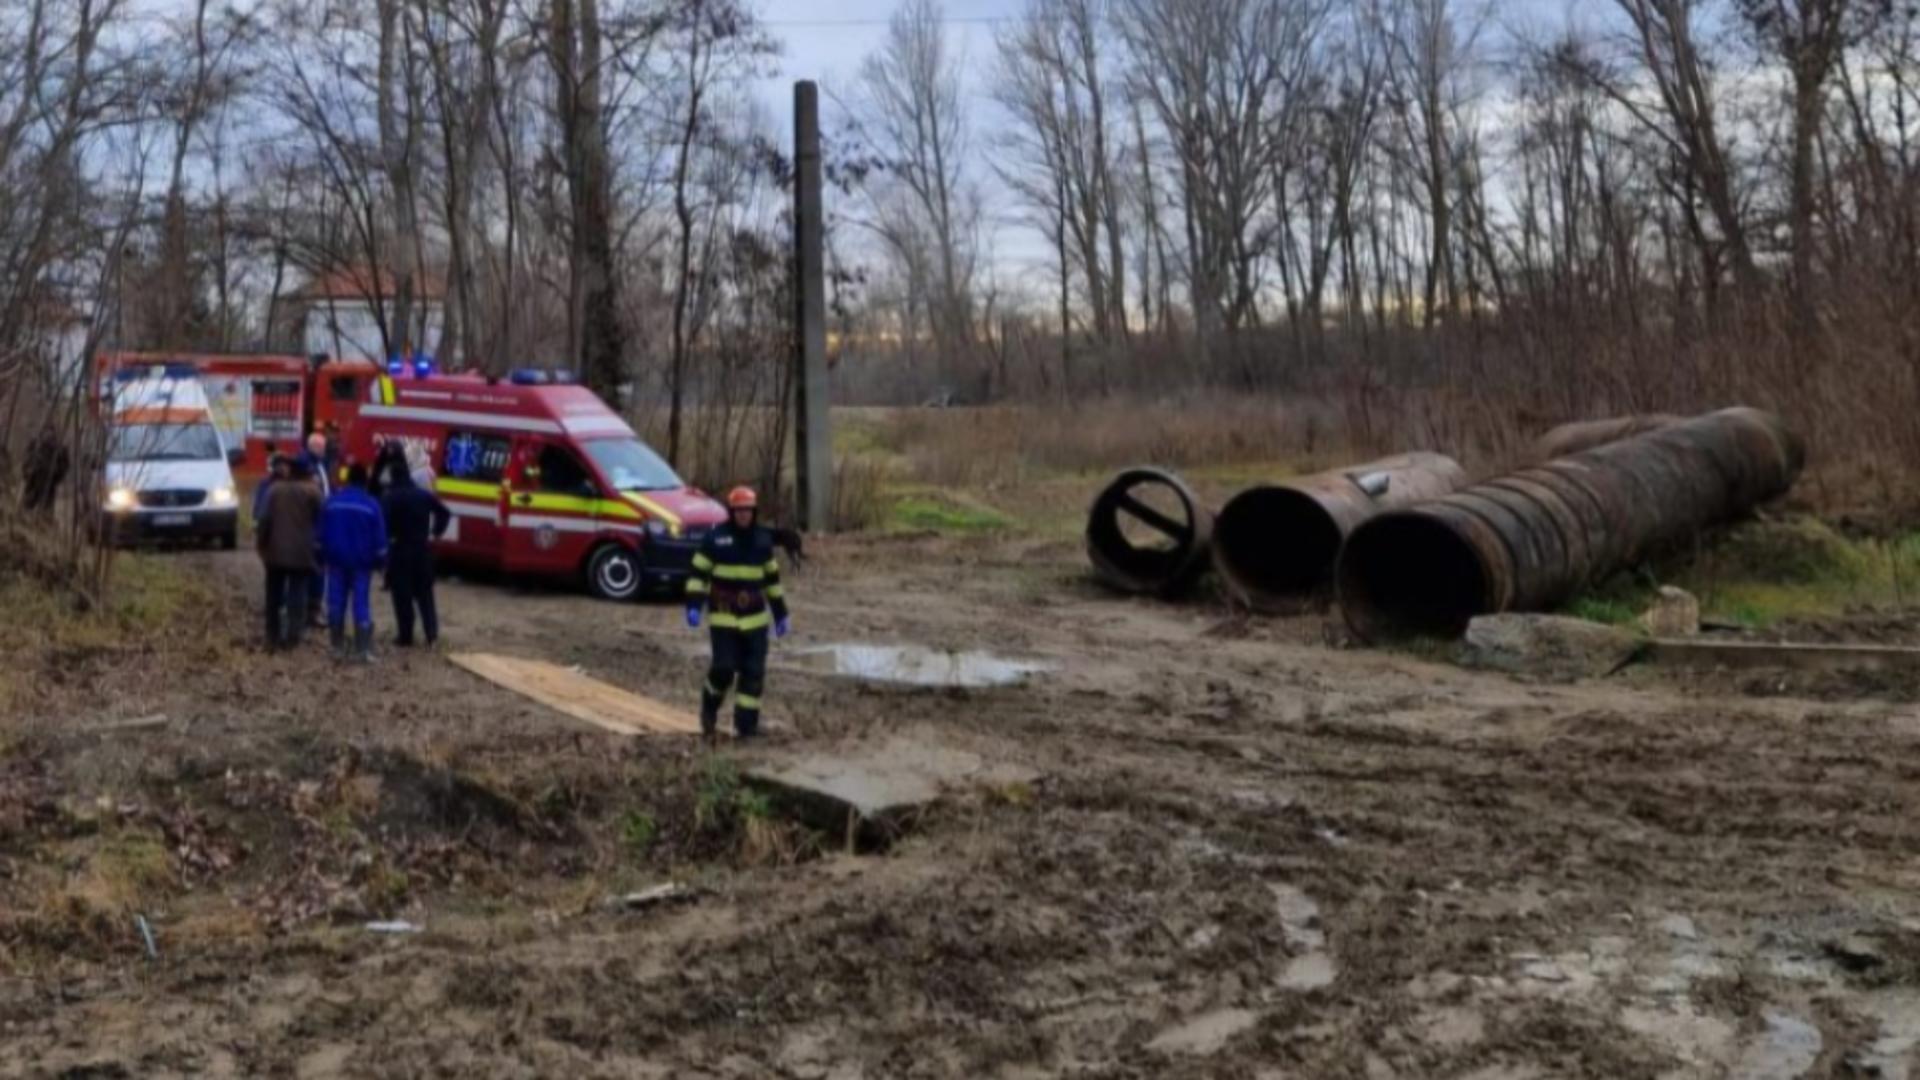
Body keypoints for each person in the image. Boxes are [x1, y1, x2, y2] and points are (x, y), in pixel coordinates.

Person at [685, 486, 791, 740]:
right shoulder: (716, 539)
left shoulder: (763, 540)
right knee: (723, 669)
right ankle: (709, 707)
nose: (744, 515)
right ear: (732, 512)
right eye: (739, 511)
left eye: (748, 510)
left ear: (754, 512)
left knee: (753, 675)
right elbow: (698, 574)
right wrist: (693, 605)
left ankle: (746, 728)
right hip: (724, 618)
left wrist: (781, 613)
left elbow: (772, 580)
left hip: (756, 620)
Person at [318, 463, 388, 662]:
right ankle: (362, 649)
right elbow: (380, 540)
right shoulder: (371, 505)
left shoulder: (331, 502)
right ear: (365, 481)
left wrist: (320, 557)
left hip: (336, 561)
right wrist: (382, 562)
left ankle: (336, 646)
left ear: (347, 479)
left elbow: (319, 534)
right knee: (361, 603)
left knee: (335, 601)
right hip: (362, 564)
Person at [380, 464, 451, 648]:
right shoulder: (423, 495)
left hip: (400, 550)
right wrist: (436, 532)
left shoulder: (390, 497)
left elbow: (382, 523)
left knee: (402, 596)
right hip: (422, 549)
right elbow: (444, 512)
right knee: (425, 595)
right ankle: (431, 635)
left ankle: (406, 636)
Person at [257, 457, 322, 649]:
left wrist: (262, 544)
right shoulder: (313, 493)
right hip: (301, 552)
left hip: (275, 552)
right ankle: (293, 636)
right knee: (297, 595)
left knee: (273, 595)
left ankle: (272, 634)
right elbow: (321, 520)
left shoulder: (274, 490)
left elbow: (264, 519)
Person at [300, 432, 332, 625]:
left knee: (319, 569)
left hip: (321, 521)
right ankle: (310, 610)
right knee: (314, 569)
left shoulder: (321, 465)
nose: (324, 450)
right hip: (312, 524)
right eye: (322, 447)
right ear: (314, 447)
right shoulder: (306, 464)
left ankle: (314, 608)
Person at [22, 423, 70, 513]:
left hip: (48, 482)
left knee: (44, 509)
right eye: (47, 432)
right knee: (28, 505)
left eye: (50, 432)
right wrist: (27, 472)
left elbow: (64, 466)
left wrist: (56, 476)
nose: (48, 435)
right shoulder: (36, 443)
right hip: (35, 479)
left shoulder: (60, 448)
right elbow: (27, 459)